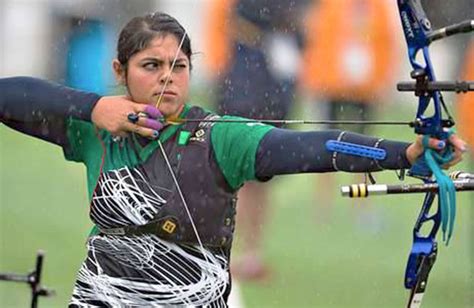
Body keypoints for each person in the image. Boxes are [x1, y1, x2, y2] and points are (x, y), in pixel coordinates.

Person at [0, 12, 465, 307]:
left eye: (178, 67)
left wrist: (403, 152)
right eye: (151, 66)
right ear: (119, 71)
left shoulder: (222, 138)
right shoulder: (97, 130)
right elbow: (9, 96)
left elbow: (313, 148)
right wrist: (93, 107)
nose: (167, 79)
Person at [203, 0, 307, 281]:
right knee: (230, 173)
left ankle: (251, 253)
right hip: (242, 85)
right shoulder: (246, 18)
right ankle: (225, 250)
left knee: (260, 177)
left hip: (270, 91)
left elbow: (301, 31)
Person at [299, 0, 399, 224]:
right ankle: (323, 206)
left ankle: (362, 206)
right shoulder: (330, 6)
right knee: (326, 145)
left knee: (368, 148)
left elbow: (387, 44)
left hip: (366, 90)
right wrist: (315, 80)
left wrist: (382, 81)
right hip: (332, 86)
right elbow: (316, 41)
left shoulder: (378, 8)